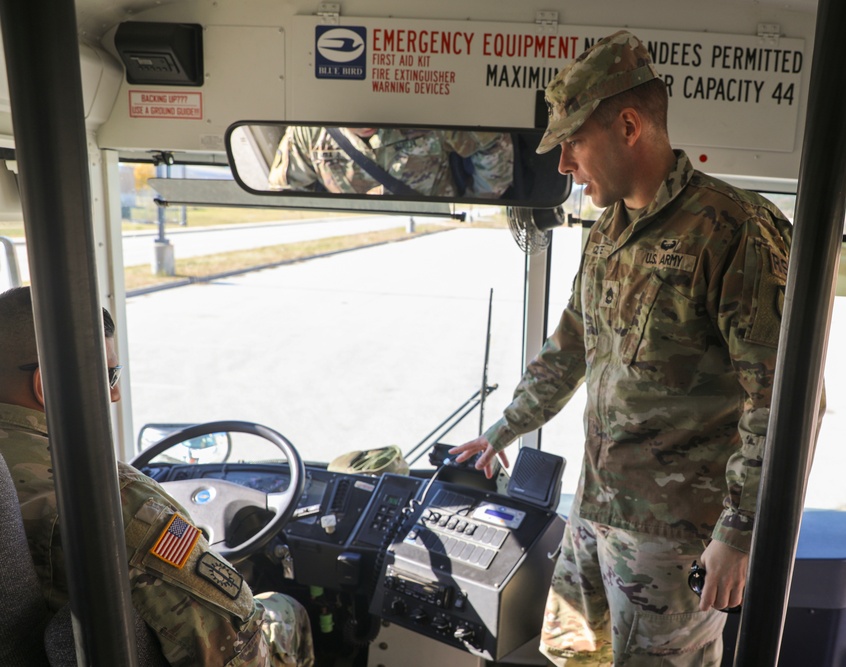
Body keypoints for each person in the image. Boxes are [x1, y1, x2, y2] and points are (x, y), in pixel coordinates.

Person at [450, 30, 793, 666]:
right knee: (568, 651)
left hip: (677, 536)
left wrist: (740, 534)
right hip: (598, 507)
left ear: (628, 125)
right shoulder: (609, 230)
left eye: (573, 143)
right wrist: (502, 430)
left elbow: (784, 401)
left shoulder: (735, 228)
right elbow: (570, 347)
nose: (562, 166)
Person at [0, 286, 314, 666]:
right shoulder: (108, 502)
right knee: (283, 608)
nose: (115, 395)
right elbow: (239, 651)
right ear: (48, 388)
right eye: (109, 375)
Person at [269, 124, 514, 198]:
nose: (362, 123)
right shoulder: (309, 131)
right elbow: (286, 189)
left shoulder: (429, 121)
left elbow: (492, 141)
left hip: (429, 229)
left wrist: (481, 199)